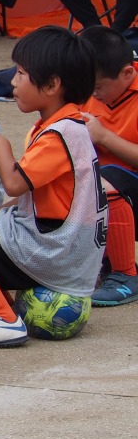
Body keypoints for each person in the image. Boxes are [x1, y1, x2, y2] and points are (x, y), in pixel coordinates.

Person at [0, 27, 104, 350]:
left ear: (52, 85)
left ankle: (2, 317)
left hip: (54, 252)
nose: (13, 81)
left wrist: (0, 144)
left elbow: (14, 182)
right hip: (61, 248)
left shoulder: (60, 134)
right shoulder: (66, 125)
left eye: (22, 74)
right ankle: (2, 309)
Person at [80, 25, 138, 305]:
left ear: (127, 73)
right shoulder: (85, 92)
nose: (92, 94)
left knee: (105, 179)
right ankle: (104, 261)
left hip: (125, 192)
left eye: (98, 87)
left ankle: (126, 274)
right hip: (103, 195)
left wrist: (104, 137)